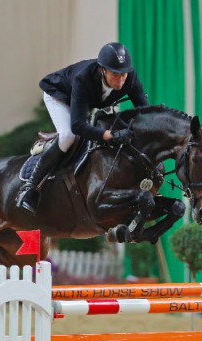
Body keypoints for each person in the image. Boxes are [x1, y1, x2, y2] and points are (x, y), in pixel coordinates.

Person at [16, 42, 149, 214]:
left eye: (124, 74)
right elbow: (78, 125)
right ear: (103, 69)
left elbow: (144, 111)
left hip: (85, 101)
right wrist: (111, 135)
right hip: (59, 95)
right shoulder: (83, 77)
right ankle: (29, 187)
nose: (121, 79)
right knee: (68, 136)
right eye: (115, 74)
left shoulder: (129, 77)